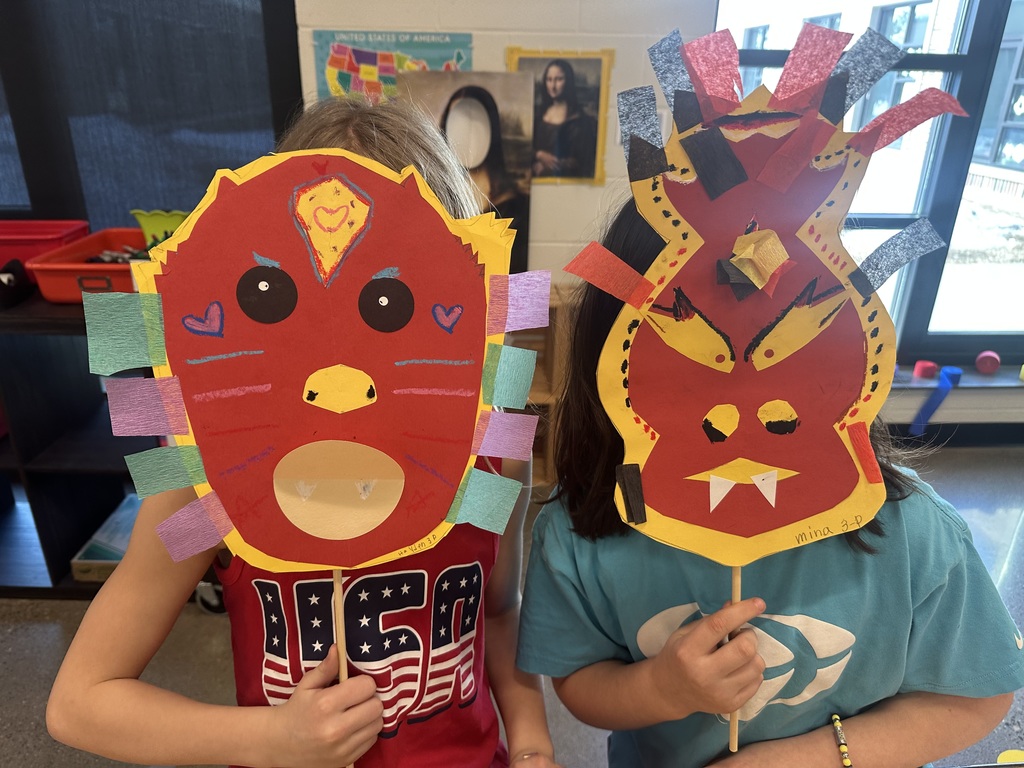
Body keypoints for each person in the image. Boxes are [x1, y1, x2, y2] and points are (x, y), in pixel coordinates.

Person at [47, 97, 561, 768]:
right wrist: (269, 740)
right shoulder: (204, 479)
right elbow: (80, 703)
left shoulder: (494, 454)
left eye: (391, 302)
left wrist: (531, 741)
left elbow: (496, 614)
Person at [515, 199, 1024, 768]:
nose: (737, 415)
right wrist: (661, 688)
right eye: (688, 371)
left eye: (789, 363)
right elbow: (579, 680)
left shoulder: (913, 533)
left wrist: (814, 758)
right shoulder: (582, 531)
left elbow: (977, 693)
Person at [440, 85, 531, 273]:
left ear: (492, 130)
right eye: (458, 124)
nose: (467, 135)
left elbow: (518, 278)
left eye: (476, 126)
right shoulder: (435, 196)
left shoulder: (517, 205)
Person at [531, 59, 598, 179]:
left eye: (559, 79)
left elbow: (583, 161)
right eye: (549, 79)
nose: (553, 86)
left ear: (568, 82)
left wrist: (551, 165)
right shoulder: (538, 115)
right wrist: (538, 155)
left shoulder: (580, 120)